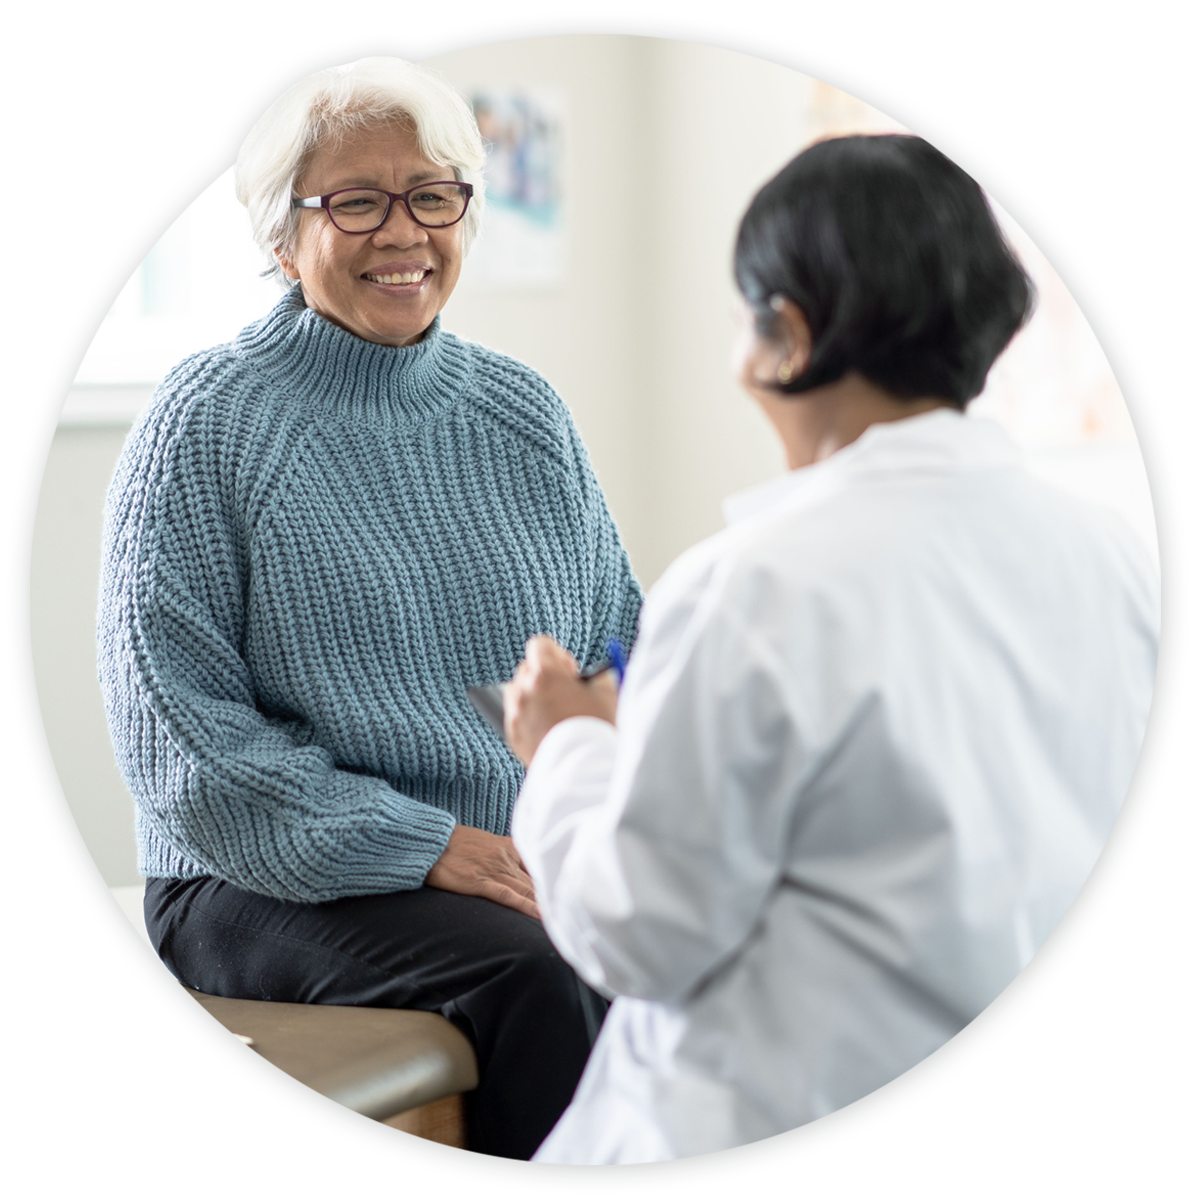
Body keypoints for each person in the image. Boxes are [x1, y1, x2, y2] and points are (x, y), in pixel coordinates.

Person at [503, 135, 1160, 1164]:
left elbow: (638, 933)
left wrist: (569, 749)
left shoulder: (752, 584)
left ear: (785, 335)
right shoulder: (1120, 559)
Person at [96, 57, 642, 1161]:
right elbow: (186, 749)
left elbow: (616, 646)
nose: (404, 232)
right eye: (356, 202)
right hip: (251, 871)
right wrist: (424, 844)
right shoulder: (207, 422)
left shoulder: (524, 414)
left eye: (432, 196)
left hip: (502, 856)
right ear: (281, 236)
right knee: (536, 978)